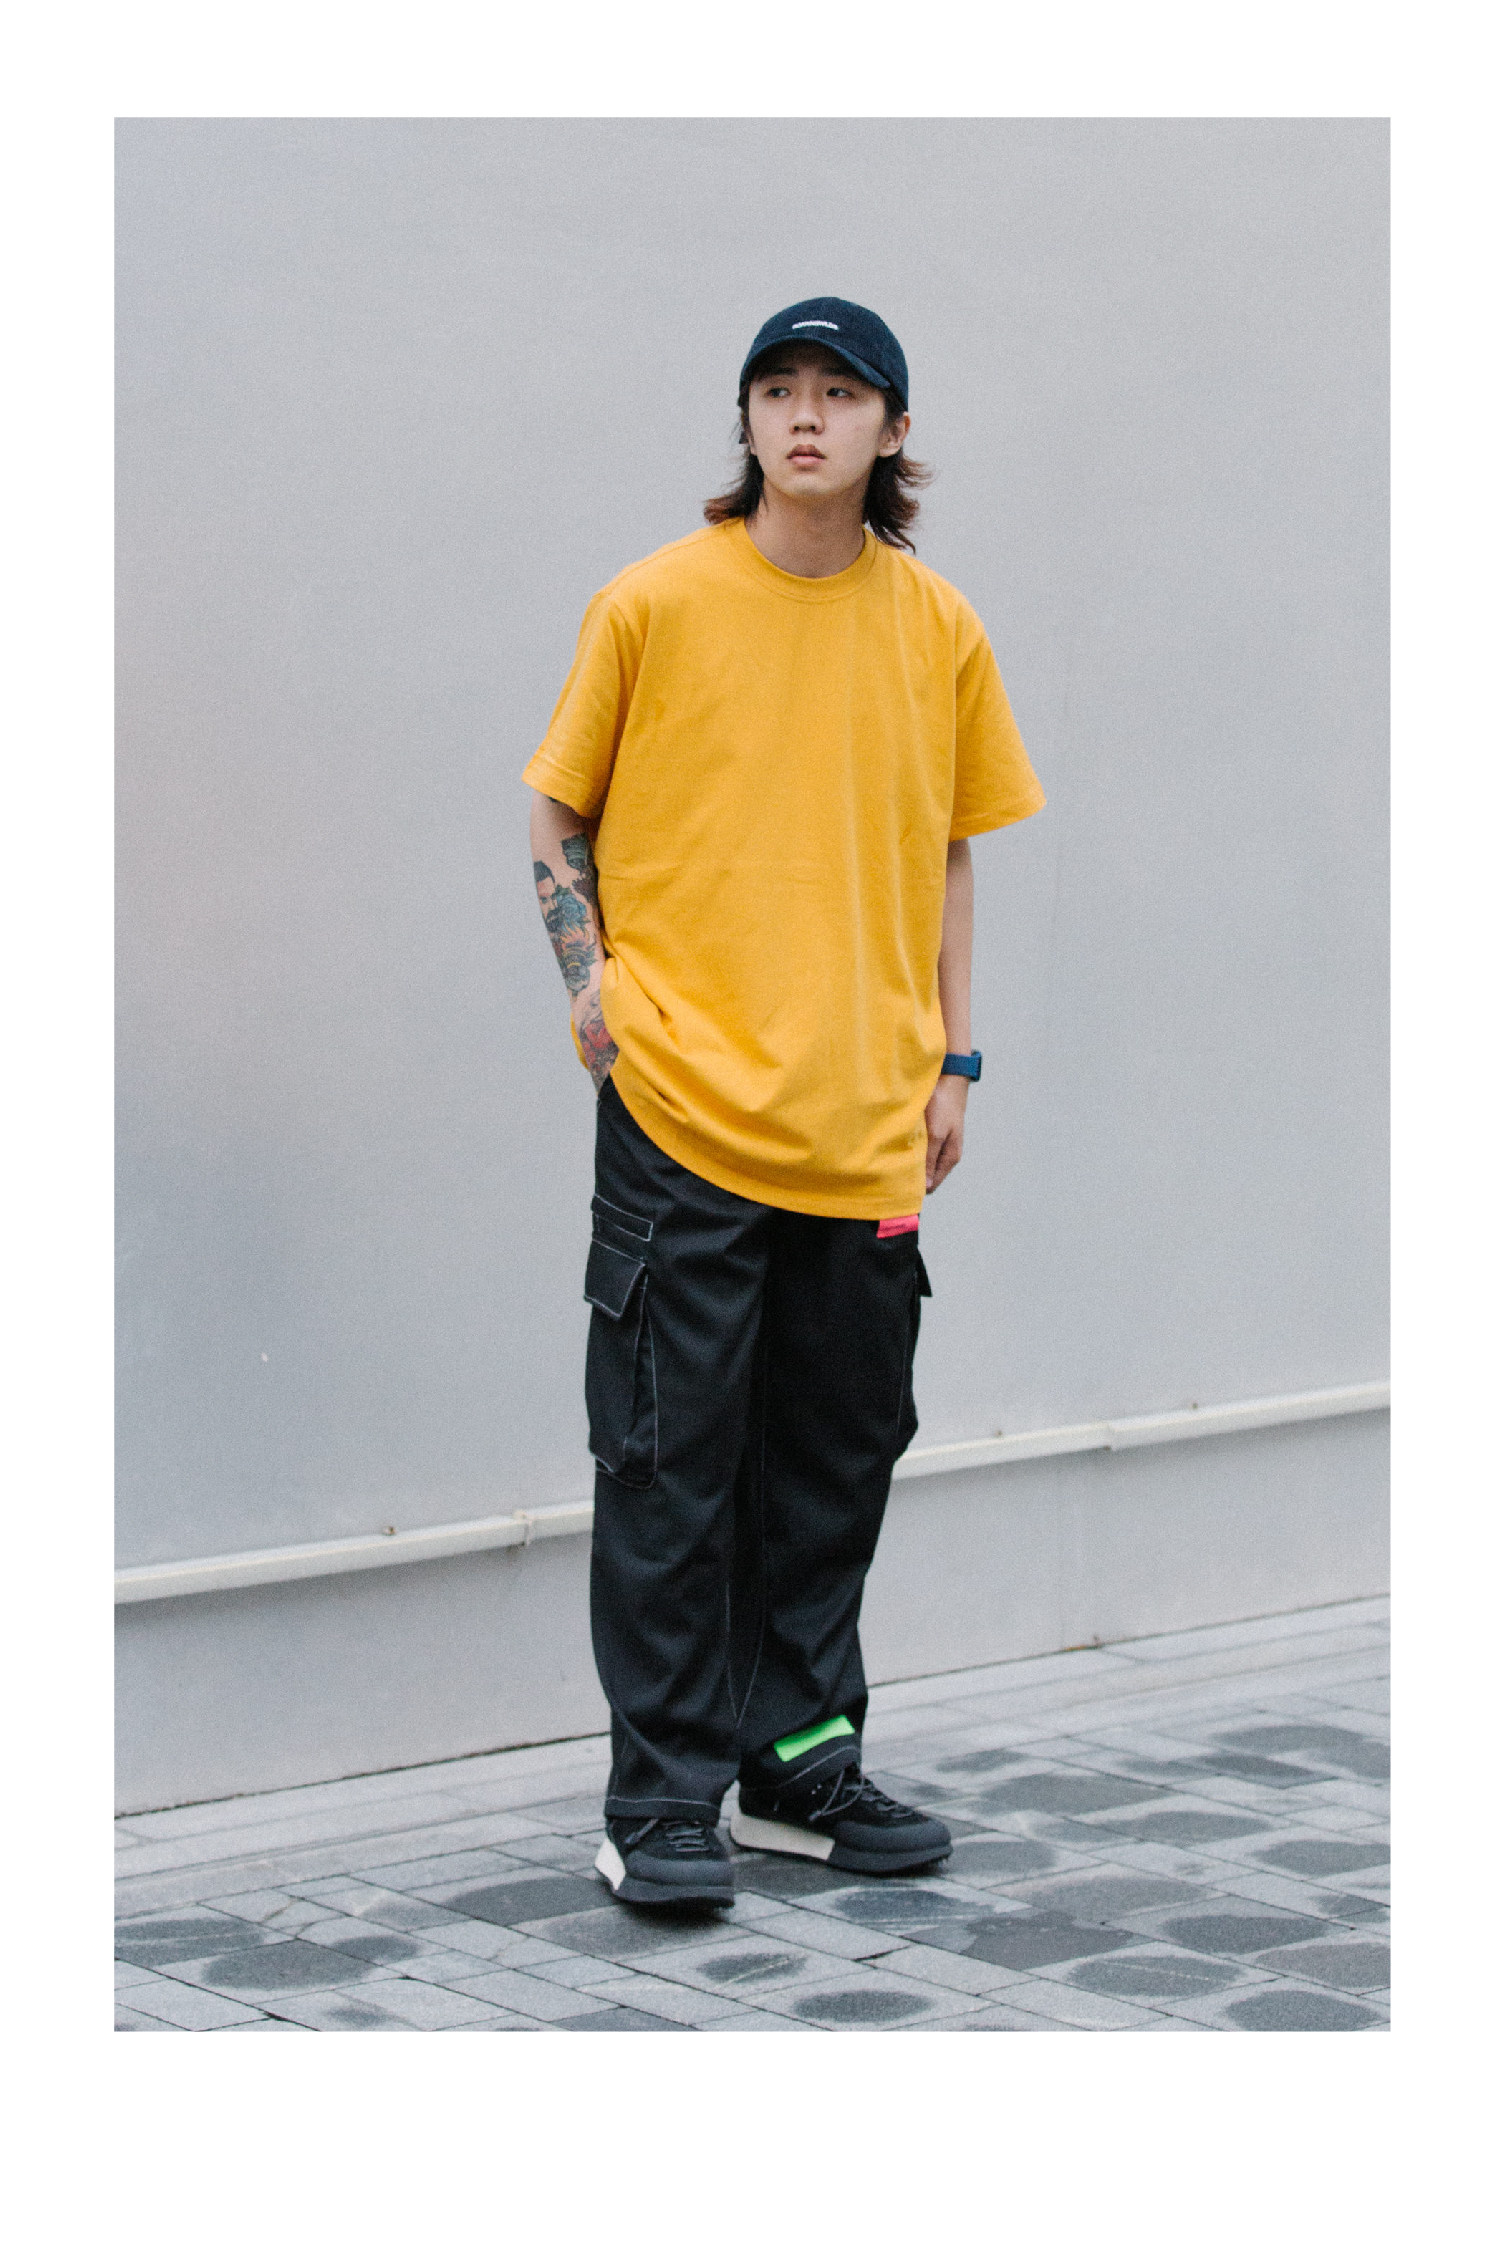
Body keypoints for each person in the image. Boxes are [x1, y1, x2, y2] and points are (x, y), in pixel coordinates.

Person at [524, 296, 1045, 1907]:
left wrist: (955, 1057)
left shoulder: (938, 626)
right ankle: (662, 1798)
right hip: (682, 1108)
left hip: (866, 1118)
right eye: (775, 389)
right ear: (746, 420)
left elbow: (949, 850)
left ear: (894, 429)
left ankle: (799, 1768)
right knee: (670, 1464)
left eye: (838, 391)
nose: (803, 416)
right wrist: (594, 992)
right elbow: (555, 813)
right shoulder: (654, 602)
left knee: (834, 1460)